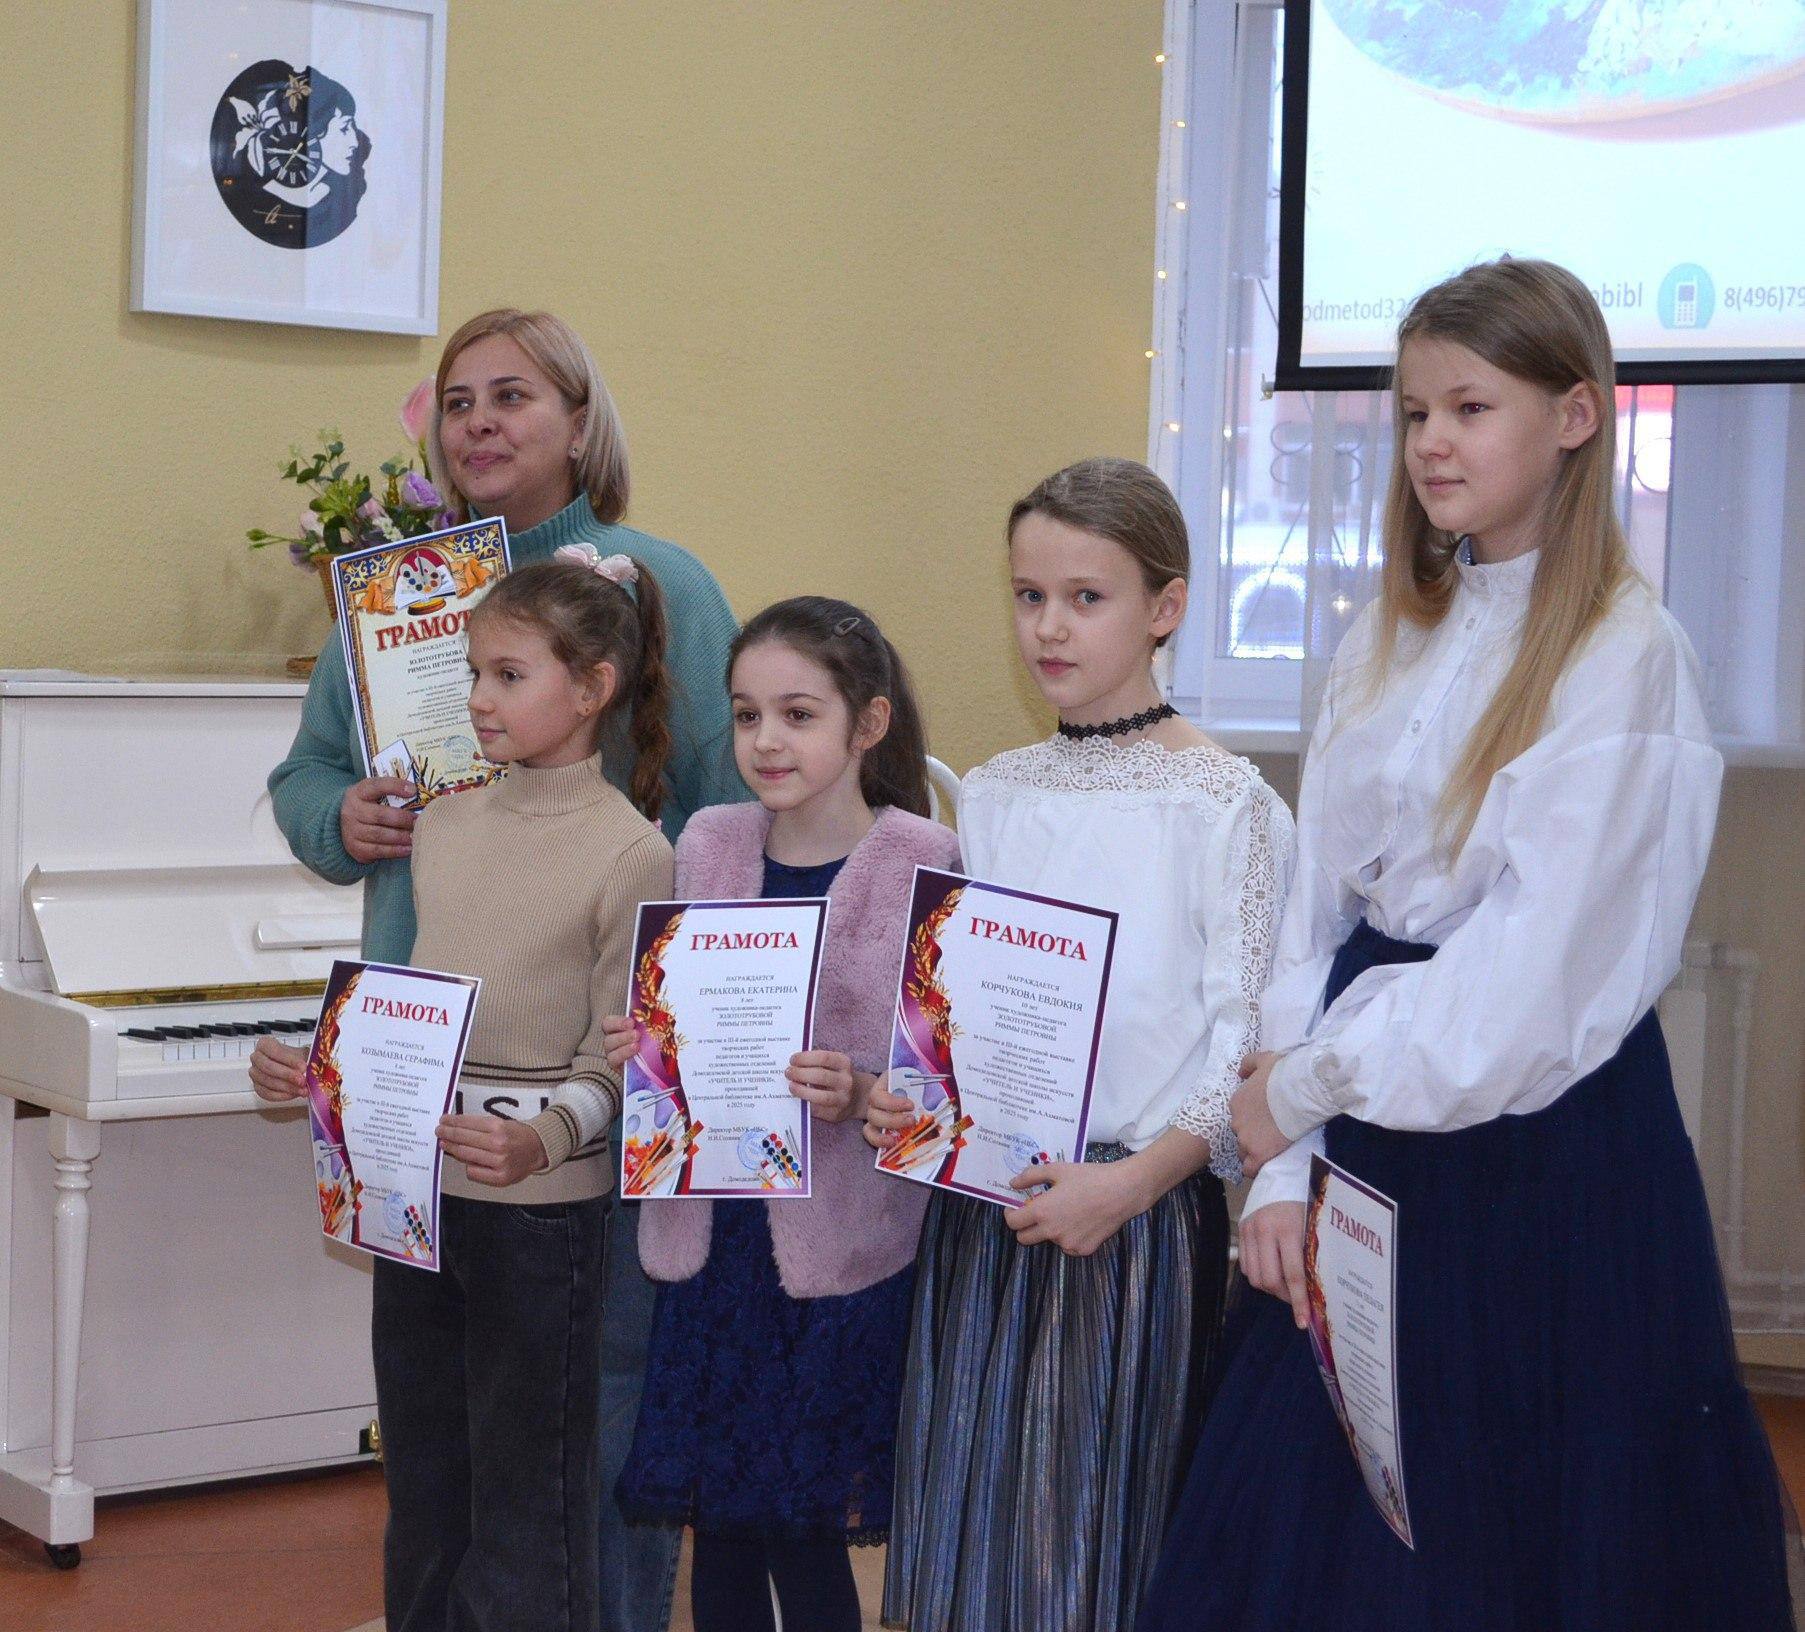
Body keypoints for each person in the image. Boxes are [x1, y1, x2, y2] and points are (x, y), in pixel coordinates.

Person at [1140, 258, 1798, 1631]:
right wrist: (1281, 1173)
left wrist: (1303, 1092)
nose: (1432, 441)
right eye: (1412, 412)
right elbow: (1314, 914)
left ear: (1574, 416)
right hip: (1355, 1129)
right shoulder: (1384, 632)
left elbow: (1528, 987)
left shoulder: (1626, 657)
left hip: (1535, 1165)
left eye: (1470, 408)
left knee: (1516, 1537)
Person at [269, 308, 743, 1632]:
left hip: (585, 1073)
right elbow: (307, 775)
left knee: (590, 1419)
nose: (479, 421)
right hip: (419, 1068)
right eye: (457, 399)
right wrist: (339, 819)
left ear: (579, 423)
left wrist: (677, 1040)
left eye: (513, 395)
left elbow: (722, 816)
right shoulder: (396, 596)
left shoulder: (662, 582)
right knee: (436, 1429)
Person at [869, 458, 1294, 1631]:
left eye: (1084, 598)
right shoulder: (995, 793)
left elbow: (1243, 1049)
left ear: (1164, 607)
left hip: (1131, 1213)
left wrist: (1130, 1185)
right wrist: (914, 1097)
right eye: (1027, 596)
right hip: (987, 1205)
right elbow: (961, 1005)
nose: (1048, 627)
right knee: (971, 1539)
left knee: (1092, 1551)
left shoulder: (1226, 805)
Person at [253, 551, 675, 1631]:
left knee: (529, 1494)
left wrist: (545, 1139)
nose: (479, 699)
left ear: (591, 689)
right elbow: (414, 1018)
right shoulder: (441, 827)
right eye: (473, 673)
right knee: (426, 1480)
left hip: (542, 1224)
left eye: (508, 676)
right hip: (419, 1206)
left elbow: (619, 1057)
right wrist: (319, 1071)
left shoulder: (631, 852)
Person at [608, 596, 961, 1632]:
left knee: (802, 1527)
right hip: (710, 1240)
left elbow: (939, 1083)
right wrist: (643, 1047)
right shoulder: (709, 843)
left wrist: (857, 1091)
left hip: (833, 1256)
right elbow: (679, 1015)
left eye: (798, 715)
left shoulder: (922, 858)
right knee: (717, 1522)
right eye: (746, 714)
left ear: (868, 723)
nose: (766, 740)